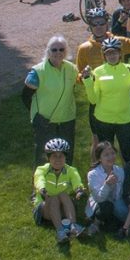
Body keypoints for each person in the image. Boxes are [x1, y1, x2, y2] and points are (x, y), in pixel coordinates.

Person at [83, 38, 130, 163]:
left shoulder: (129, 69)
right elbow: (93, 99)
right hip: (104, 120)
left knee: (128, 153)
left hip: (125, 119)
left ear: (120, 54)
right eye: (108, 53)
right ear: (104, 55)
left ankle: (129, 179)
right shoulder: (98, 72)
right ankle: (106, 180)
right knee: (105, 155)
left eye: (114, 52)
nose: (112, 56)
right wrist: (87, 81)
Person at [23, 35, 80, 166]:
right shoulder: (37, 72)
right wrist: (36, 115)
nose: (58, 53)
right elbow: (25, 96)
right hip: (45, 122)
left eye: (61, 49)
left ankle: (65, 184)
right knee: (43, 159)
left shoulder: (72, 69)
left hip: (67, 119)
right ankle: (40, 186)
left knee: (67, 156)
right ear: (48, 51)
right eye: (54, 50)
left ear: (66, 51)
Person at [32, 138, 85, 243]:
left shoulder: (71, 170)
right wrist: (42, 190)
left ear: (65, 157)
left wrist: (79, 190)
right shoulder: (41, 169)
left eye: (61, 156)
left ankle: (73, 226)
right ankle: (60, 231)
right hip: (45, 208)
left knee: (63, 194)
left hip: (63, 208)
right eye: (54, 156)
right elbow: (39, 179)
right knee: (54, 198)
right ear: (48, 158)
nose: (58, 159)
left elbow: (77, 181)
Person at [85, 140, 127, 235]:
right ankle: (95, 222)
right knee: (107, 206)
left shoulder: (119, 171)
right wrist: (107, 184)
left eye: (112, 153)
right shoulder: (93, 174)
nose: (111, 157)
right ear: (100, 158)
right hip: (101, 205)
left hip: (116, 202)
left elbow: (120, 194)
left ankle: (108, 223)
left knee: (119, 219)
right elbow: (99, 199)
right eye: (106, 155)